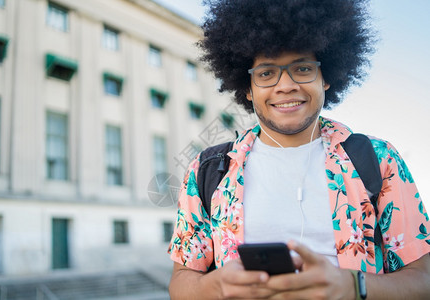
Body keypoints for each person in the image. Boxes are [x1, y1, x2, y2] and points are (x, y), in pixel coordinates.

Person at [167, 0, 430, 298]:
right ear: (248, 87)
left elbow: (423, 281)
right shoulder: (209, 169)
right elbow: (181, 283)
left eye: (303, 68)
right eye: (266, 73)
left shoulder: (379, 160)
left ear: (326, 77)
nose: (286, 85)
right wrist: (213, 286)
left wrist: (353, 287)